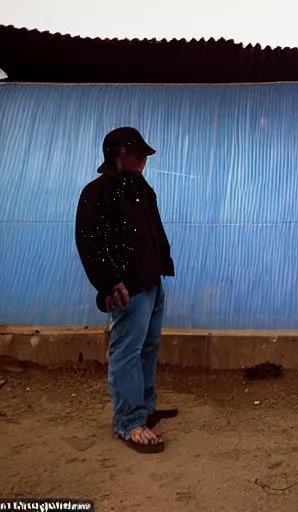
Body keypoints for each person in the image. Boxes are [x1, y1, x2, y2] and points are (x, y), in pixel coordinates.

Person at [75, 127, 176, 453]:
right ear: (119, 152)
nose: (145, 159)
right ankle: (128, 422)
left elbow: (152, 230)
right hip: (127, 288)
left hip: (151, 283)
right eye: (139, 153)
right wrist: (107, 283)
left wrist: (163, 263)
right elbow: (89, 243)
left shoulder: (140, 189)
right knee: (126, 353)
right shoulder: (97, 192)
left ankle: (144, 409)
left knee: (148, 347)